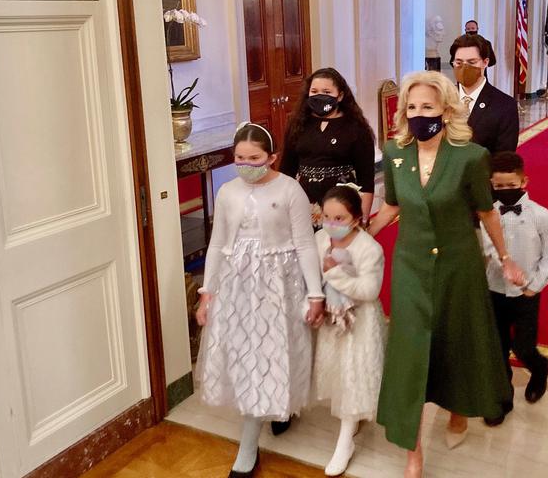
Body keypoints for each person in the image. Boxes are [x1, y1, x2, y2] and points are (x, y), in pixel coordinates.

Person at [367, 71, 525, 478]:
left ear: (447, 111)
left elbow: (487, 211)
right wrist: (356, 238)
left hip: (459, 264)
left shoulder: (470, 156)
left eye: (428, 107)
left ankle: (458, 409)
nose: (419, 115)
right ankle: (412, 450)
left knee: (454, 339)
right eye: (412, 107)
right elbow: (393, 206)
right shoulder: (395, 153)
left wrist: (505, 258)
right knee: (410, 351)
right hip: (411, 267)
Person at [195, 122, 326, 478]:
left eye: (254, 158)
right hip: (238, 285)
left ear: (272, 157)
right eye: (239, 158)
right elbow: (219, 244)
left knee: (277, 350)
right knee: (249, 355)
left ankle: (280, 408)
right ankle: (249, 443)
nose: (246, 164)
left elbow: (304, 244)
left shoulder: (289, 190)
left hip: (279, 285)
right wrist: (208, 292)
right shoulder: (227, 192)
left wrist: (315, 293)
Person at [312, 184, 386, 477]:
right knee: (339, 373)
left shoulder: (368, 248)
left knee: (354, 373)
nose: (331, 224)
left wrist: (334, 274)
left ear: (356, 218)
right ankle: (349, 422)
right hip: (332, 320)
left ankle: (345, 440)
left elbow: (369, 290)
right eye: (327, 217)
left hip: (360, 323)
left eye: (339, 218)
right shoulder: (320, 240)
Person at [481, 151, 548, 427]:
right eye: (498, 187)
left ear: (524, 182)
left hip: (527, 294)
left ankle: (539, 367)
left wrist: (535, 286)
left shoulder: (540, 215)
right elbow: (485, 250)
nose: (505, 191)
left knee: (523, 345)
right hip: (495, 290)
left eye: (511, 186)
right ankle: (502, 398)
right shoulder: (486, 217)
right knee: (497, 347)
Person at [281, 68, 376, 227]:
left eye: (326, 91)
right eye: (314, 91)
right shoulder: (297, 124)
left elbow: (366, 181)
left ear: (340, 96)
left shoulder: (357, 128)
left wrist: (362, 220)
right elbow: (286, 171)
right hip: (303, 203)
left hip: (341, 205)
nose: (320, 96)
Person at [449, 34, 520, 154]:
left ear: (485, 62)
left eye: (472, 62)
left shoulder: (505, 106)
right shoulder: (443, 100)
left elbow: (504, 157)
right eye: (459, 62)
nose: (464, 67)